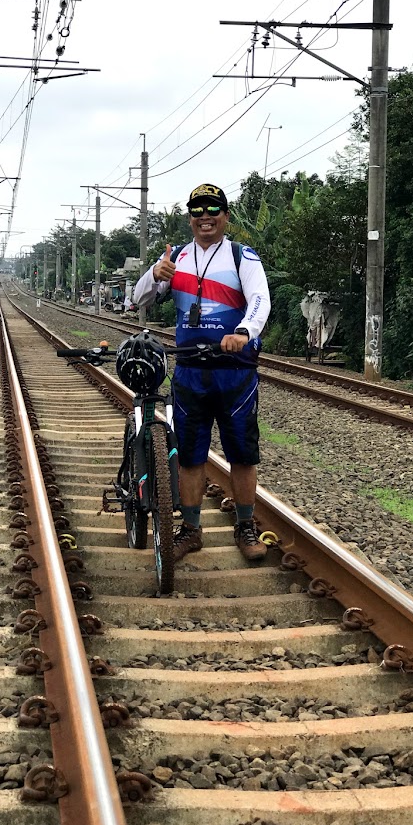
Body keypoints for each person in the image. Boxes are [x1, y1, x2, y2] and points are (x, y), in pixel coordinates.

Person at [132, 183, 271, 563]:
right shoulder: (175, 257)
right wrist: (155, 274)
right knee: (190, 456)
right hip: (191, 370)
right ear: (190, 217)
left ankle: (245, 525)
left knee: (242, 453)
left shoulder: (242, 256)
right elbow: (138, 299)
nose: (205, 216)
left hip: (235, 371)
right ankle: (191, 530)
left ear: (225, 216)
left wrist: (243, 331)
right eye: (197, 210)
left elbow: (260, 299)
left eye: (213, 209)